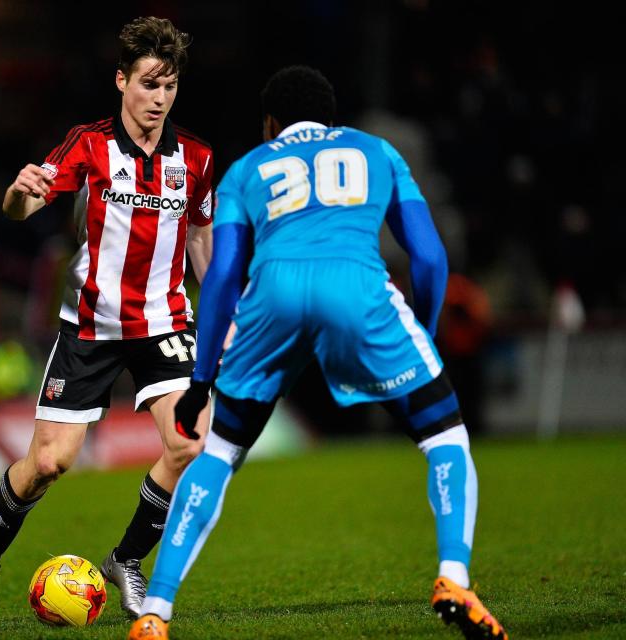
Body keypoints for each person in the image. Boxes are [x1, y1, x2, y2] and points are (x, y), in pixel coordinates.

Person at [129, 66, 508, 640]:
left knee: (219, 453)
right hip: (355, 288)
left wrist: (202, 381)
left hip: (271, 293)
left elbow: (224, 275)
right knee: (445, 438)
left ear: (270, 124)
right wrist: (423, 339)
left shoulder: (245, 170)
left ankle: (156, 612)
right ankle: (453, 576)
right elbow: (430, 258)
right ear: (330, 120)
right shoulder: (377, 151)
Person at [0, 16, 215, 626]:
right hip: (91, 326)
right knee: (50, 463)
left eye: (170, 86)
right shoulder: (89, 144)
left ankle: (125, 559)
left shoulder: (199, 158)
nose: (159, 98)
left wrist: (230, 311)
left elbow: (201, 239)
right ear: (121, 80)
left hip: (164, 323)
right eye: (149, 84)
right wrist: (18, 192)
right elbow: (23, 207)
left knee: (191, 443)